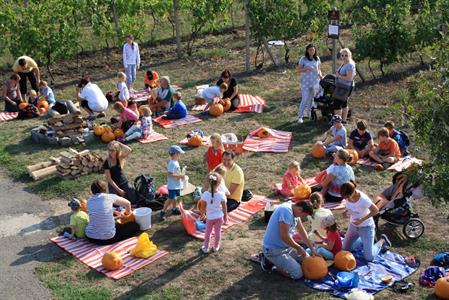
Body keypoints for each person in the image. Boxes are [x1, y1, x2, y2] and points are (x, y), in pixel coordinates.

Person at [260, 201, 317, 280]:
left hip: (286, 247)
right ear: (300, 209)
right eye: (304, 215)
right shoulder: (286, 211)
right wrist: (299, 248)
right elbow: (284, 236)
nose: (303, 217)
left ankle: (275, 261)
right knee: (298, 274)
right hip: (274, 250)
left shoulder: (295, 211)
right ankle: (271, 264)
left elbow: (302, 231)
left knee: (307, 259)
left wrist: (312, 249)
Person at [341, 181, 391, 262]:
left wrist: (362, 220)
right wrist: (345, 211)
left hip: (366, 227)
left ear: (353, 192)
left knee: (369, 257)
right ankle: (364, 240)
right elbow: (351, 206)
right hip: (353, 226)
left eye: (348, 196)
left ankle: (382, 241)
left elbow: (375, 210)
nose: (347, 199)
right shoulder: (347, 196)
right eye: (345, 197)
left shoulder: (363, 199)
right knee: (345, 249)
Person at [85, 180, 140, 245]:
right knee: (135, 226)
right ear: (105, 189)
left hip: (91, 237)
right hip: (108, 238)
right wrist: (127, 214)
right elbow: (128, 203)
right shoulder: (109, 197)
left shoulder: (89, 201)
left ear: (92, 191)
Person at [199, 172, 228, 254]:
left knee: (208, 233)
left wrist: (202, 215)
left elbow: (203, 208)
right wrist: (226, 217)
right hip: (219, 217)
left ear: (208, 182)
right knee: (217, 232)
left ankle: (206, 248)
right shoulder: (222, 195)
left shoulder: (205, 195)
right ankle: (216, 247)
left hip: (210, 218)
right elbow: (224, 207)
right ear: (219, 183)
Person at [296, 44, 323, 124]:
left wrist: (321, 77)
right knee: (304, 99)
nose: (312, 51)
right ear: (307, 50)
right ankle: (300, 117)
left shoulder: (317, 58)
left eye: (313, 50)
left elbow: (319, 69)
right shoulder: (303, 59)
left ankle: (309, 113)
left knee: (311, 99)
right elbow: (298, 70)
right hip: (305, 83)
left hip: (315, 82)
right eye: (310, 50)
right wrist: (306, 68)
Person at [160, 145, 186, 220]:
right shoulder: (172, 163)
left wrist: (181, 173)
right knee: (170, 199)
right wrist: (180, 176)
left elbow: (175, 172)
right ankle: (163, 212)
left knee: (175, 197)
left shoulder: (175, 162)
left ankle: (174, 209)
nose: (180, 155)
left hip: (176, 184)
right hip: (172, 185)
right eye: (179, 153)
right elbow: (169, 173)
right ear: (175, 154)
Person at [335, 48, 356, 123]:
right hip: (342, 86)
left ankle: (337, 122)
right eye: (342, 55)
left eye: (346, 55)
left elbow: (349, 78)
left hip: (344, 87)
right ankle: (343, 121)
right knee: (344, 103)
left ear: (349, 55)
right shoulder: (345, 63)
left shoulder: (350, 65)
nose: (344, 56)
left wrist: (339, 76)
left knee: (337, 103)